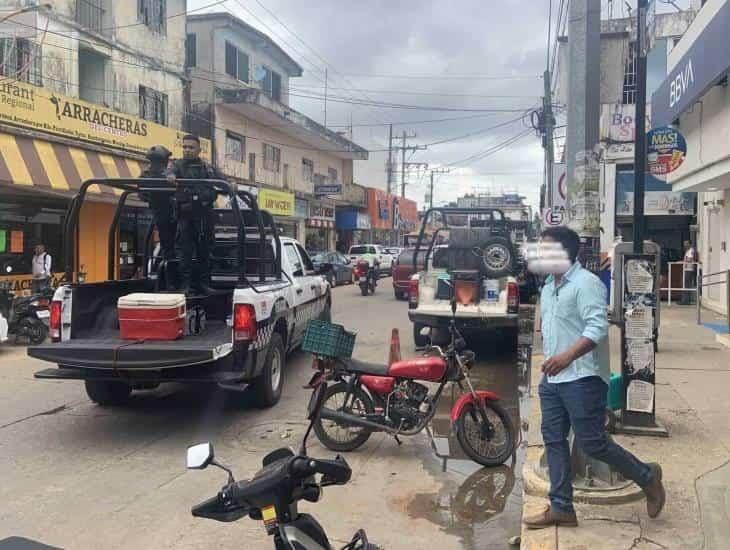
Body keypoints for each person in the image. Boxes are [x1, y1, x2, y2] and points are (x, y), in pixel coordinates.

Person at [523, 226, 665, 530]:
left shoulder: (586, 284)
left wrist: (566, 357)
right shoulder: (548, 287)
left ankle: (647, 477)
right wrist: (551, 360)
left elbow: (596, 328)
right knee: (554, 441)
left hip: (582, 377)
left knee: (593, 444)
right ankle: (561, 507)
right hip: (553, 380)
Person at [166, 134, 224, 294]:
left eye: (191, 147)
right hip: (185, 215)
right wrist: (170, 177)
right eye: (184, 147)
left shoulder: (208, 168)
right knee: (184, 252)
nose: (187, 150)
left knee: (204, 252)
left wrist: (231, 184)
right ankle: (185, 285)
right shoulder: (176, 165)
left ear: (199, 149)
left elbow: (223, 182)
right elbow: (169, 172)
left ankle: (204, 284)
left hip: (204, 216)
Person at [140, 145, 176, 264]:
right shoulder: (146, 175)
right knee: (169, 247)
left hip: (173, 213)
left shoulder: (170, 173)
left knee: (172, 246)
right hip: (164, 213)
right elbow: (142, 194)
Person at [680, 240, 697, 305]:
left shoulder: (691, 250)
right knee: (685, 284)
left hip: (689, 269)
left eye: (686, 243)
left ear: (690, 244)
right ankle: (684, 300)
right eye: (684, 243)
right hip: (686, 269)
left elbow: (690, 259)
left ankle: (686, 301)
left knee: (686, 284)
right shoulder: (688, 251)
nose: (685, 245)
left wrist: (683, 261)